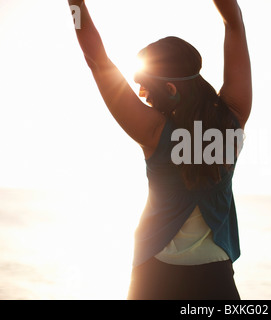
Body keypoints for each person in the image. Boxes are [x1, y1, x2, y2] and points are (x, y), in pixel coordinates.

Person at [68, 0, 252, 300]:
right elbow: (234, 24)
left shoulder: (154, 131)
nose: (140, 94)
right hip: (216, 275)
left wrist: (75, 4)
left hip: (155, 275)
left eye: (144, 86)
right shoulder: (233, 116)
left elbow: (97, 61)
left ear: (170, 89)